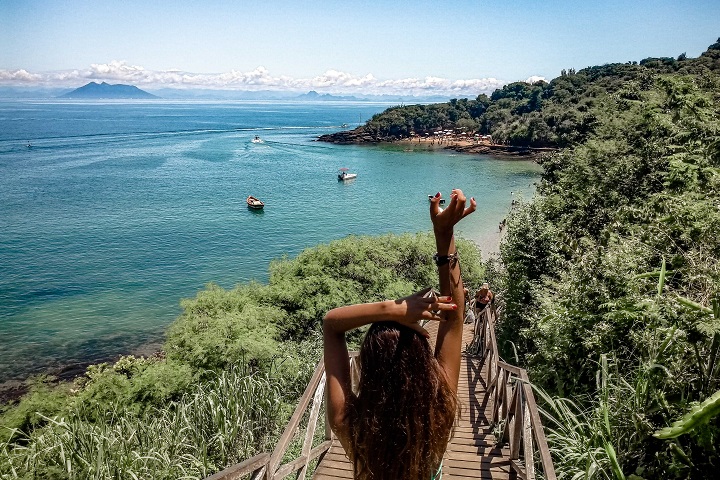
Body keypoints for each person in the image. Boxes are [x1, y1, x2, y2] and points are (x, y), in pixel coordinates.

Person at [324, 189, 476, 480]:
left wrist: (390, 309)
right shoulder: (439, 414)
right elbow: (455, 317)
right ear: (423, 363)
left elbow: (331, 323)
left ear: (368, 365)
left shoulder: (350, 424)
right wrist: (444, 235)